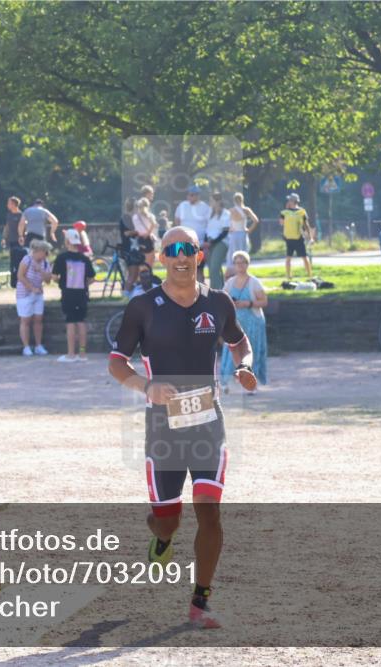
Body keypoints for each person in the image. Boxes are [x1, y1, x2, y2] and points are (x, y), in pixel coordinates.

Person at [108, 226, 256, 629]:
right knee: (168, 518)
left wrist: (244, 366)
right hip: (164, 428)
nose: (179, 256)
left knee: (209, 510)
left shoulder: (219, 302)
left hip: (208, 423)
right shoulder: (143, 307)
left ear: (199, 255)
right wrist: (146, 386)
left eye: (187, 249)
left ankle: (199, 603)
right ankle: (161, 534)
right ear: (161, 258)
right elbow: (117, 362)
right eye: (171, 250)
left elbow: (240, 343)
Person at [219, 251, 268, 393]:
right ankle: (228, 382)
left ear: (247, 264)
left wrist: (248, 303)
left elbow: (264, 301)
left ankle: (251, 385)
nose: (240, 265)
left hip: (253, 324)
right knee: (231, 354)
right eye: (237, 262)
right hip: (234, 324)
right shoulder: (230, 282)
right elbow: (223, 300)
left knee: (252, 353)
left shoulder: (254, 282)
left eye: (243, 262)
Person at [53, 229, 95, 362]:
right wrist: (84, 284)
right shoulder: (84, 258)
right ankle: (82, 354)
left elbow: (54, 276)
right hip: (82, 294)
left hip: (68, 294)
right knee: (81, 322)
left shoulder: (61, 257)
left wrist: (60, 281)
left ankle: (71, 354)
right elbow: (92, 277)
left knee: (70, 323)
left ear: (67, 241)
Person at [16, 240, 53, 356]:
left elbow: (48, 280)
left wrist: (40, 270)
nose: (46, 254)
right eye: (44, 252)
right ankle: (26, 347)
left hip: (38, 294)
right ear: (38, 251)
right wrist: (31, 288)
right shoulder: (27, 260)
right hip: (25, 294)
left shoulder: (45, 263)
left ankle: (38, 345)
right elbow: (20, 276)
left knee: (38, 319)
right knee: (25, 320)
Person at [174, 185, 210, 281]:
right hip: (184, 243)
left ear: (198, 196)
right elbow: (177, 220)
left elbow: (209, 224)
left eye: (193, 195)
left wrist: (206, 242)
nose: (190, 197)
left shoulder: (204, 207)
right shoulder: (182, 206)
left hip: (199, 243)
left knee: (199, 268)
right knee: (185, 268)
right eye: (189, 195)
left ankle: (201, 289)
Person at [279, 192, 313, 280]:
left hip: (298, 238)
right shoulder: (284, 212)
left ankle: (310, 275)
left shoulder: (301, 212)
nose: (288, 202)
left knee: (304, 257)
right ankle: (288, 276)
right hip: (289, 238)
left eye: (289, 200)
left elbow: (306, 225)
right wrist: (286, 210)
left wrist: (310, 237)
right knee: (288, 258)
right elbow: (281, 223)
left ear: (293, 201)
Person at [225, 193, 259, 278]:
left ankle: (233, 274)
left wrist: (230, 229)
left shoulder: (231, 210)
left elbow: (224, 224)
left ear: (234, 200)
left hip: (234, 235)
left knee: (232, 255)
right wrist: (249, 230)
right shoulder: (246, 210)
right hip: (242, 234)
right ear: (242, 200)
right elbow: (256, 220)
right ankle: (242, 273)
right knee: (243, 254)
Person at [204, 193, 230, 290]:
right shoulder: (210, 214)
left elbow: (225, 231)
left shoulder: (225, 213)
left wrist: (212, 242)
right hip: (210, 242)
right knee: (212, 268)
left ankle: (216, 291)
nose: (210, 203)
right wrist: (207, 242)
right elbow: (207, 230)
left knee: (214, 267)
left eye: (212, 201)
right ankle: (220, 290)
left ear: (218, 202)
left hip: (221, 242)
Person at [3, 196, 25, 288]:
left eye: (9, 203)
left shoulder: (22, 215)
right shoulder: (9, 215)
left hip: (20, 242)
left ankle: (22, 281)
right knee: (12, 263)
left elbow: (24, 227)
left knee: (20, 262)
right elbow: (7, 227)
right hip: (12, 241)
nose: (7, 205)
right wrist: (4, 238)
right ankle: (13, 283)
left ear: (14, 204)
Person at [132, 197, 159, 268]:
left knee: (142, 261)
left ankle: (143, 276)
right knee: (150, 261)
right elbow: (154, 225)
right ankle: (149, 276)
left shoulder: (135, 217)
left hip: (140, 239)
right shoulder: (150, 216)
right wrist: (148, 233)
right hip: (149, 239)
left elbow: (136, 229)